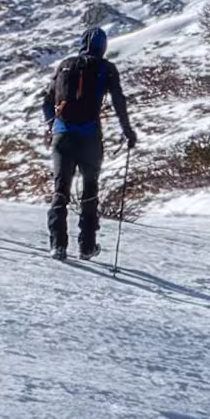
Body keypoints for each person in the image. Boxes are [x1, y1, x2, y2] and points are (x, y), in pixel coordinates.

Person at [42, 23, 137, 262]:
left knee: (60, 189)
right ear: (102, 47)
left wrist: (50, 126)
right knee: (90, 189)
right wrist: (128, 131)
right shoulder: (107, 69)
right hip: (90, 136)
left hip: (62, 134)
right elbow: (118, 102)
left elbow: (47, 100)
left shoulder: (64, 65)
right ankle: (86, 246)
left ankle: (58, 245)